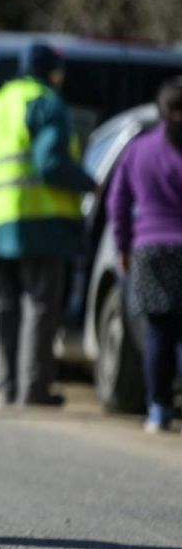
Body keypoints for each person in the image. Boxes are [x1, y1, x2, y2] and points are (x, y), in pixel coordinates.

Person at [0, 44, 94, 407]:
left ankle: (6, 384)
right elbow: (50, 163)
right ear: (53, 73)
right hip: (39, 222)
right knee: (40, 305)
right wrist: (89, 183)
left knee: (3, 303)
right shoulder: (45, 102)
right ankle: (34, 388)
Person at [106, 76, 182, 432]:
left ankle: (159, 409)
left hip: (149, 249)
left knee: (159, 332)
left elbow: (117, 203)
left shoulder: (139, 150)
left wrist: (122, 245)